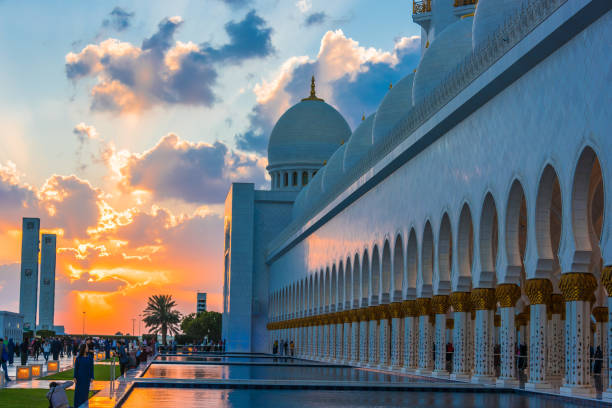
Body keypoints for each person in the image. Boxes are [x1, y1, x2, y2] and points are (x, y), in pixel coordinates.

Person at [73, 343, 94, 408]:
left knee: (85, 393)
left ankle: (84, 406)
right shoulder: (78, 358)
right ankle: (77, 405)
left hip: (87, 378)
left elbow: (91, 368)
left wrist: (92, 377)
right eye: (87, 347)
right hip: (79, 378)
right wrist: (75, 377)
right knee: (78, 393)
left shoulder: (90, 358)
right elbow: (76, 369)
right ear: (84, 349)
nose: (88, 348)